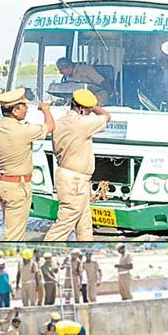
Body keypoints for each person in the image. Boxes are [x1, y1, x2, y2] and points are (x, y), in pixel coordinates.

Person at [0, 87, 55, 241]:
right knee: (14, 236)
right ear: (15, 111)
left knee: (11, 227)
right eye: (24, 106)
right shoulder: (24, 131)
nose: (26, 109)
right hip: (18, 188)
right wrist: (46, 110)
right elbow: (51, 126)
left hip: (0, 185)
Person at [43, 89, 110, 241]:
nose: (89, 113)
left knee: (84, 222)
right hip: (75, 181)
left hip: (69, 176)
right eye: (88, 110)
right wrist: (95, 106)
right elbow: (106, 117)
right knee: (65, 222)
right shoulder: (82, 123)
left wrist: (89, 106)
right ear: (82, 109)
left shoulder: (60, 122)